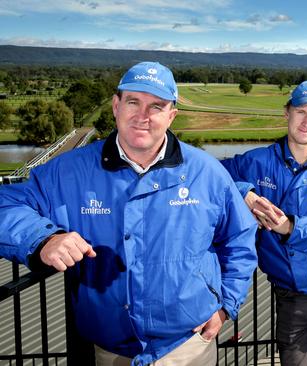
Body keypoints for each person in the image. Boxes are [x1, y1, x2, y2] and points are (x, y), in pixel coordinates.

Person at [0, 61, 258, 365]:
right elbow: (6, 203)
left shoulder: (207, 172)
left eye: (157, 106)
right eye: (133, 101)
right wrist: (43, 239)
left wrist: (226, 305)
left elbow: (239, 240)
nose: (143, 116)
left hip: (189, 345)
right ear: (115, 106)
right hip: (109, 350)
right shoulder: (70, 171)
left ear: (171, 116)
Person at [221, 80, 307, 366]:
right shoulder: (258, 162)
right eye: (301, 111)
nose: (306, 122)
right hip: (290, 295)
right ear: (287, 112)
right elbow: (210, 173)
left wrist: (291, 227)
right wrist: (244, 193)